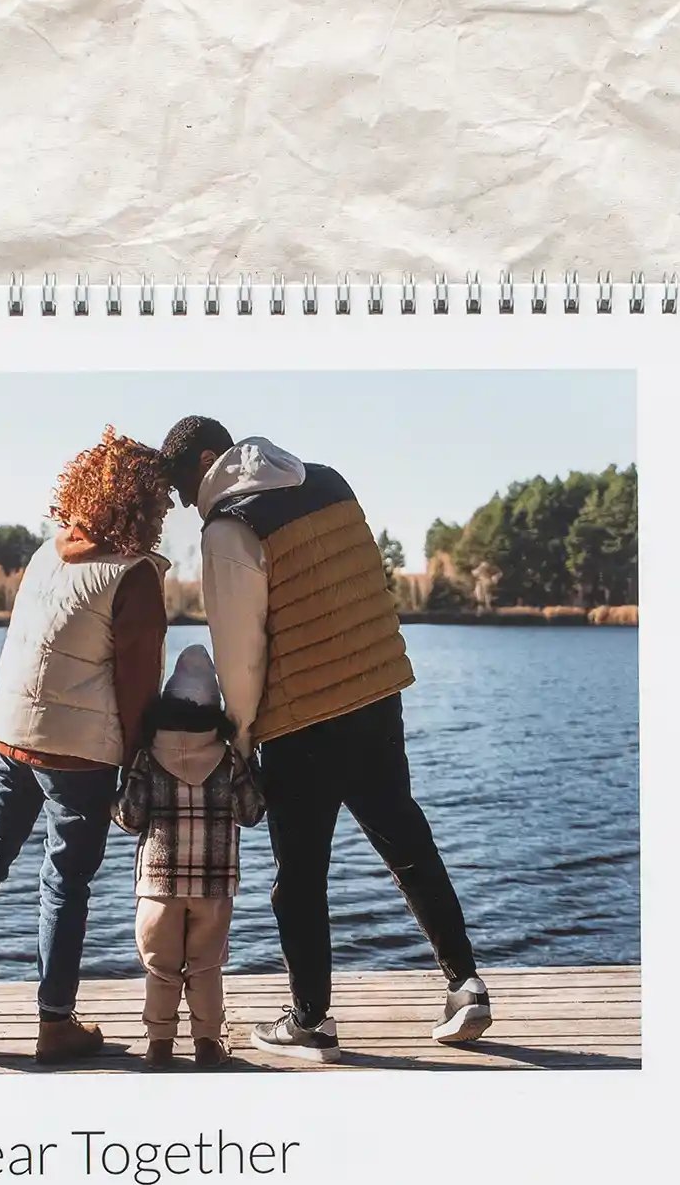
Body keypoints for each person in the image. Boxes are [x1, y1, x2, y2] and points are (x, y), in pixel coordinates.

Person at [157, 414, 490, 1062]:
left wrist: (243, 736)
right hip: (375, 695)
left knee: (300, 880)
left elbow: (239, 650)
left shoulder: (229, 526)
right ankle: (465, 985)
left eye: (181, 488)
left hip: (300, 721)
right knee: (408, 843)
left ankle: (311, 1020)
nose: (185, 504)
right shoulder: (333, 484)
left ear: (205, 461)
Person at [0, 431, 169, 1062]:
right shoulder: (132, 577)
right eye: (159, 503)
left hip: (11, 734)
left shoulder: (44, 555)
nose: (164, 515)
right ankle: (55, 1022)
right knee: (66, 881)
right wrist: (141, 759)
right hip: (78, 753)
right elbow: (138, 690)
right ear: (139, 503)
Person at [112, 643, 265, 1068]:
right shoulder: (229, 759)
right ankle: (208, 1044)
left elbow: (129, 817)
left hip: (157, 887)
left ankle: (159, 1045)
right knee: (205, 967)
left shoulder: (148, 755)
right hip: (213, 889)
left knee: (160, 969)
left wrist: (116, 795)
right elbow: (251, 813)